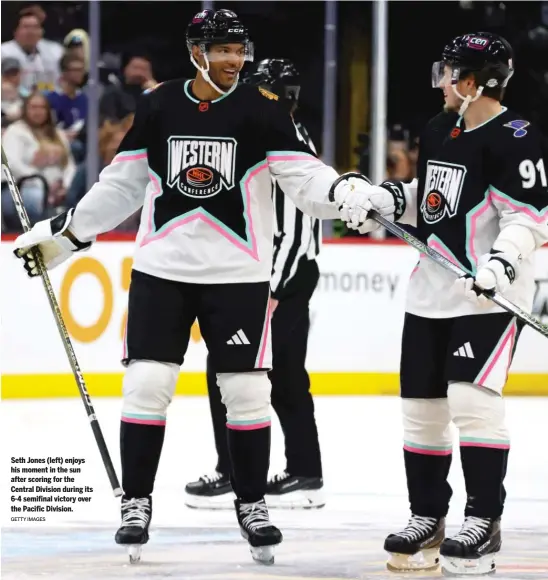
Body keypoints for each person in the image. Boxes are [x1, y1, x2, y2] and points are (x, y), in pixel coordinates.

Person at [12, 8, 379, 566]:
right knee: (146, 386)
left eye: (239, 49)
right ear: (196, 51)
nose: (235, 59)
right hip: (163, 271)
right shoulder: (158, 105)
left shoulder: (264, 108)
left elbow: (304, 177)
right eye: (223, 49)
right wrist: (67, 237)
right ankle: (136, 503)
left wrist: (344, 192)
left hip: (238, 277)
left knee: (247, 392)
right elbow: (122, 184)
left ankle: (252, 504)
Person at [344, 32, 548, 575]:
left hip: (488, 295)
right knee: (422, 411)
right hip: (431, 289)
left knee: (473, 402)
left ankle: (483, 521)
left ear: (478, 82)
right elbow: (435, 200)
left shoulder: (519, 137)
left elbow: (528, 217)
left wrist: (501, 262)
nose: (442, 81)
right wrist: (390, 197)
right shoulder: (440, 128)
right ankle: (427, 517)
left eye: (452, 72)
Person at [185, 59, 325, 510]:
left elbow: (295, 228)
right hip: (273, 276)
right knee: (267, 375)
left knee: (260, 374)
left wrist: (272, 292)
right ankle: (282, 471)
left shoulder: (284, 139)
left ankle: (267, 472)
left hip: (279, 279)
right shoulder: (271, 133)